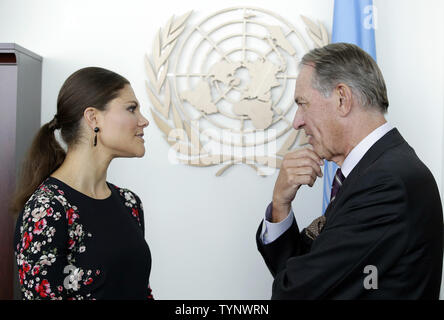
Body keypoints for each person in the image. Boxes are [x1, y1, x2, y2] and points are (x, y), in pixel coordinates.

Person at [256, 43, 443, 299]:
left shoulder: (385, 183)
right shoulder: (373, 171)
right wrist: (280, 205)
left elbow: (295, 291)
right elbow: (306, 267)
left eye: (303, 104)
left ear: (342, 99)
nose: (297, 121)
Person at [11, 67, 153, 300]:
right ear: (93, 118)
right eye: (131, 109)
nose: (143, 121)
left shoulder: (129, 202)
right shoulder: (46, 211)